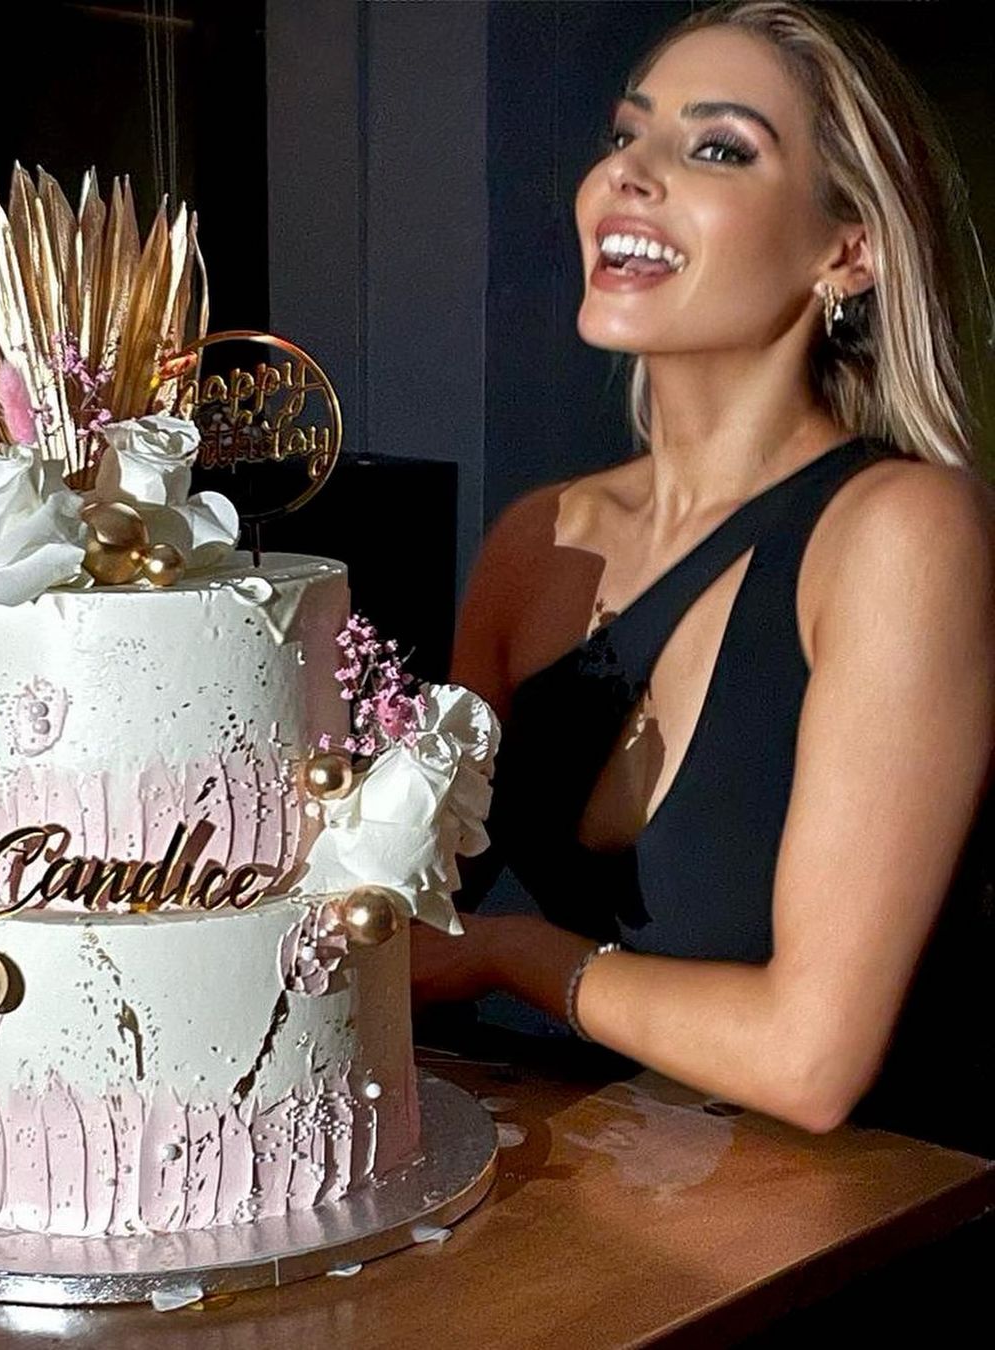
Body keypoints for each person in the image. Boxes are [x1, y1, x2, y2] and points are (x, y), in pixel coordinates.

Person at [410, 0, 995, 1149]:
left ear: (848, 250)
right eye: (627, 135)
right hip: (609, 1189)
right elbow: (411, 899)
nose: (627, 174)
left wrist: (511, 957)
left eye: (718, 147)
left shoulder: (902, 533)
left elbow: (812, 1059)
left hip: (874, 1215)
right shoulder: (539, 543)